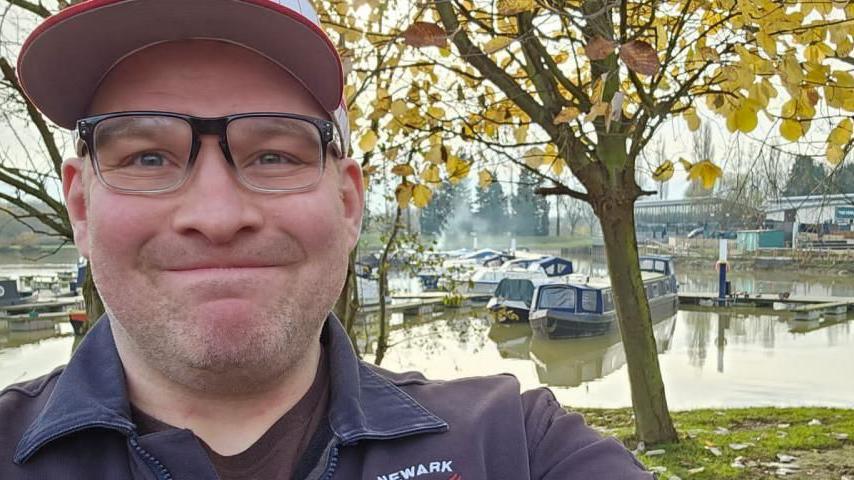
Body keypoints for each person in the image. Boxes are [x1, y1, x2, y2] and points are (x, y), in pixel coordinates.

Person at [0, 1, 654, 478]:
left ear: (348, 203)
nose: (219, 214)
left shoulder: (514, 448)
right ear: (81, 205)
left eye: (273, 156)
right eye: (147, 158)